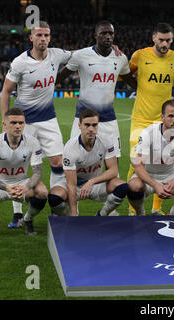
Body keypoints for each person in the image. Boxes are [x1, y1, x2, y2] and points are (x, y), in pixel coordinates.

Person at [55, 21, 136, 216]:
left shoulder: (120, 58)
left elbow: (132, 82)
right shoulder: (82, 56)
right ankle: (74, 208)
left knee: (113, 163)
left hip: (109, 120)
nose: (108, 36)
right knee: (73, 158)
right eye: (104, 33)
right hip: (82, 120)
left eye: (111, 34)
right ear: (96, 36)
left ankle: (108, 210)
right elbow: (59, 77)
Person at [0, 21, 71, 225]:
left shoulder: (57, 55)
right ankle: (17, 213)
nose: (43, 39)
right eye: (39, 35)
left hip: (49, 119)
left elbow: (81, 55)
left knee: (57, 162)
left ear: (50, 37)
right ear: (31, 37)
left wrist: (109, 49)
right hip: (25, 122)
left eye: (46, 35)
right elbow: (5, 91)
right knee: (20, 165)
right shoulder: (20, 62)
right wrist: (6, 120)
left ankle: (56, 206)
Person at [126, 22, 174, 216]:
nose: (165, 44)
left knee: (163, 162)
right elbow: (127, 73)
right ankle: (133, 209)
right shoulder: (140, 55)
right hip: (140, 118)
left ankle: (156, 208)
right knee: (136, 161)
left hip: (163, 121)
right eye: (161, 40)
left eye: (168, 40)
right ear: (154, 38)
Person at [0, 108, 48, 236]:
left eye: (21, 123)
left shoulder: (33, 142)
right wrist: (7, 188)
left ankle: (27, 220)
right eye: (13, 123)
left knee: (42, 192)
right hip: (0, 185)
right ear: (4, 124)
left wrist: (25, 187)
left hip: (22, 182)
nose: (18, 126)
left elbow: (37, 173)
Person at [48, 109, 128, 217]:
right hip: (75, 185)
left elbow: (113, 171)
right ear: (79, 125)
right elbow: (71, 185)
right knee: (54, 197)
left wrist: (92, 181)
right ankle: (68, 217)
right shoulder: (70, 148)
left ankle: (102, 214)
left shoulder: (106, 141)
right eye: (87, 125)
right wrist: (74, 215)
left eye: (94, 125)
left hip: (95, 184)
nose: (91, 129)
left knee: (122, 186)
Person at [127, 99, 174, 216]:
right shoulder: (148, 132)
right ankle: (140, 213)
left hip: (171, 175)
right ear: (162, 117)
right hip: (148, 175)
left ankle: (173, 213)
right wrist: (156, 185)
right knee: (133, 185)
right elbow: (138, 165)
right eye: (170, 116)